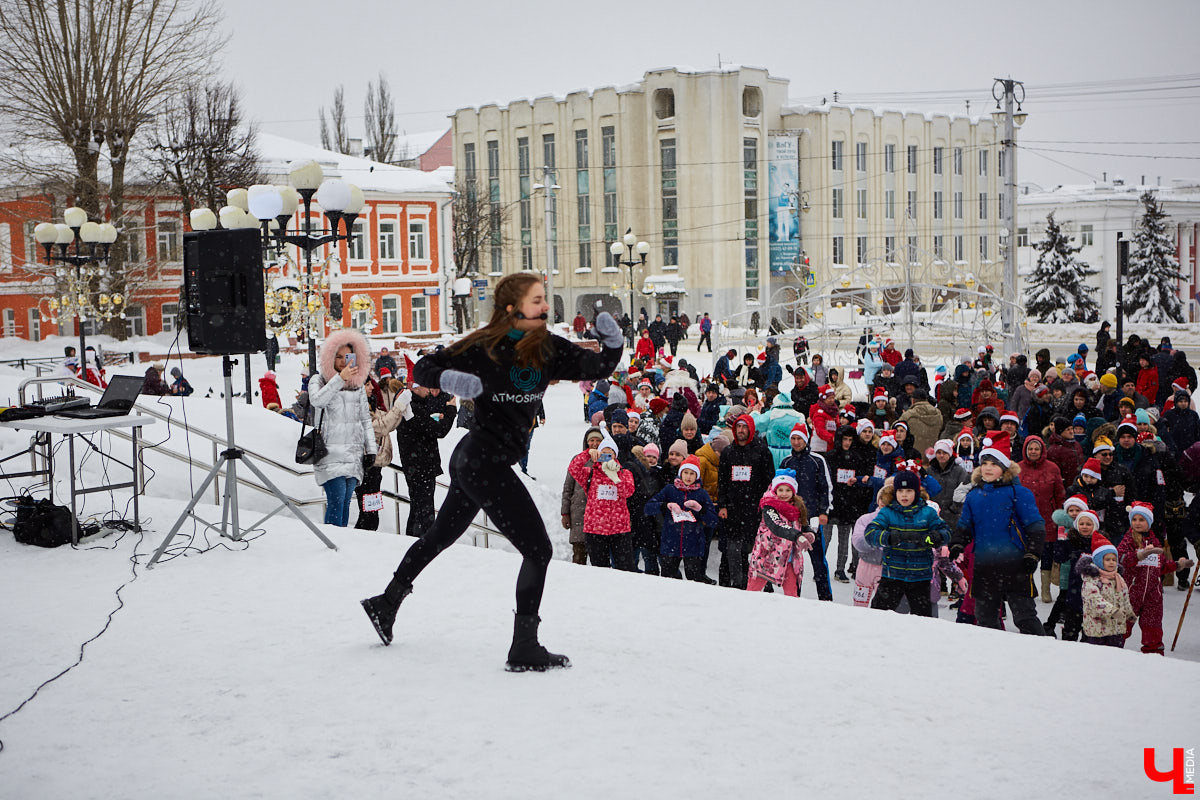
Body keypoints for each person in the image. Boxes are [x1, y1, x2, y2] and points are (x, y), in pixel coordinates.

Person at [361, 273, 623, 672]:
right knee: (538, 550)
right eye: (537, 301)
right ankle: (524, 645)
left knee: (439, 537)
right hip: (483, 459)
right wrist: (452, 379)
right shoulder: (483, 346)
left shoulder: (547, 347)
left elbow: (598, 364)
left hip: (480, 459)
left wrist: (613, 342)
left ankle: (386, 602)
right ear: (511, 307)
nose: (545, 308)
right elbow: (424, 369)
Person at [949, 431, 1047, 635]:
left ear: (1004, 468)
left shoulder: (1018, 493)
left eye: (993, 464)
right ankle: (992, 660)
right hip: (985, 564)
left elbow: (1035, 526)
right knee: (985, 618)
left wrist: (1032, 553)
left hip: (1016, 563)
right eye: (984, 463)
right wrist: (957, 543)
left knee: (1024, 617)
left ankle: (1043, 654)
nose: (988, 468)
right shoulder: (974, 495)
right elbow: (965, 525)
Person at [308, 329, 377, 527]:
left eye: (346, 356)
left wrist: (371, 449)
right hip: (330, 453)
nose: (341, 361)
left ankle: (341, 544)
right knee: (336, 502)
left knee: (346, 504)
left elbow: (365, 419)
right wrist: (339, 379)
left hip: (352, 455)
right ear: (329, 357)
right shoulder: (319, 379)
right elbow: (317, 400)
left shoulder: (357, 385)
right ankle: (331, 544)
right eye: (337, 357)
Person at [864, 467, 949, 617]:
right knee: (878, 617)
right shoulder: (888, 512)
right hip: (892, 575)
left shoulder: (927, 512)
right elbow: (870, 532)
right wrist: (888, 537)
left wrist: (935, 537)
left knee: (923, 619)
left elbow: (946, 532)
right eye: (900, 491)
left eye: (909, 491)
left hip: (920, 576)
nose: (904, 495)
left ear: (916, 492)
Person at [1119, 502, 1192, 654]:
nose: (1137, 523)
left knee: (1152, 627)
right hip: (1131, 593)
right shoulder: (1128, 540)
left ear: (1149, 522)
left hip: (1153, 594)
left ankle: (1154, 656)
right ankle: (1114, 651)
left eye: (1141, 520)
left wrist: (1179, 564)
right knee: (1122, 626)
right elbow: (1121, 560)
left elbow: (1162, 566)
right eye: (1134, 519)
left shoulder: (1155, 541)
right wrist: (1139, 555)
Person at [717, 414, 775, 588]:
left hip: (754, 508)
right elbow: (722, 481)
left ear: (750, 429)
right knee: (732, 548)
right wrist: (722, 505)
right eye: (738, 427)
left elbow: (769, 480)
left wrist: (766, 504)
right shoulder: (728, 452)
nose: (741, 431)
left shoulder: (762, 450)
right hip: (733, 508)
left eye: (744, 427)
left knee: (757, 548)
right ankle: (736, 583)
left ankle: (761, 583)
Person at [395, 379, 456, 538]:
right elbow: (439, 431)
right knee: (424, 510)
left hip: (417, 466)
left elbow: (427, 426)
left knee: (417, 508)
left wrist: (436, 417)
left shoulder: (413, 405)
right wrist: (451, 410)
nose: (429, 389)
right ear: (414, 387)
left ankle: (413, 542)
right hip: (421, 466)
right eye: (425, 385)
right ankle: (424, 544)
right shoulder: (412, 407)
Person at [568, 429, 636, 570]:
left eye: (609, 454)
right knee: (599, 571)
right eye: (603, 453)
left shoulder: (625, 473)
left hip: (620, 530)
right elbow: (573, 468)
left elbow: (628, 491)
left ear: (615, 456)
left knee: (626, 569)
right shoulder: (590, 473)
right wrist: (588, 453)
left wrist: (616, 476)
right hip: (595, 530)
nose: (606, 457)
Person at [646, 454, 717, 581]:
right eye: (686, 472)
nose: (688, 477)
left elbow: (713, 520)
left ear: (697, 476)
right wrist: (666, 505)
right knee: (668, 579)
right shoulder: (670, 490)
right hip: (670, 542)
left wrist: (700, 509)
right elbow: (649, 507)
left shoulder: (701, 494)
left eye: (692, 473)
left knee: (693, 580)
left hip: (693, 545)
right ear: (680, 473)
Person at [746, 470, 816, 596]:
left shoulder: (797, 507)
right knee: (752, 591)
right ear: (775, 490)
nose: (784, 494)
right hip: (766, 556)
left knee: (792, 594)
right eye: (781, 490)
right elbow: (777, 525)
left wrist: (809, 533)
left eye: (788, 490)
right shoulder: (769, 506)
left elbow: (804, 524)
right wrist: (797, 536)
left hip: (790, 558)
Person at [355, 380, 410, 531]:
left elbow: (388, 422)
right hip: (365, 467)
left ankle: (366, 538)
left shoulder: (371, 405)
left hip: (375, 467)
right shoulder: (356, 409)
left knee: (372, 513)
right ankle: (362, 541)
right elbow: (381, 427)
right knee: (368, 515)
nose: (372, 387)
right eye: (367, 384)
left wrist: (401, 408)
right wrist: (398, 407)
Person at [1079, 532, 1136, 647]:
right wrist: (1113, 611)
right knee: (1099, 658)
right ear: (1099, 561)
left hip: (1115, 629)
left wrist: (1129, 613)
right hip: (1097, 629)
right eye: (1108, 559)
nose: (1111, 562)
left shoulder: (1118, 579)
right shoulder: (1091, 581)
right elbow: (1095, 601)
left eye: (1114, 560)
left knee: (1115, 656)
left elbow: (1124, 598)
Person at [562, 427, 604, 566]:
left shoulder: (607, 460)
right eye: (592, 440)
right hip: (578, 512)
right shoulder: (577, 459)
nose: (595, 443)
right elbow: (568, 488)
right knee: (579, 555)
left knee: (598, 558)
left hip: (599, 515)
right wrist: (565, 512)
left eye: (598, 440)